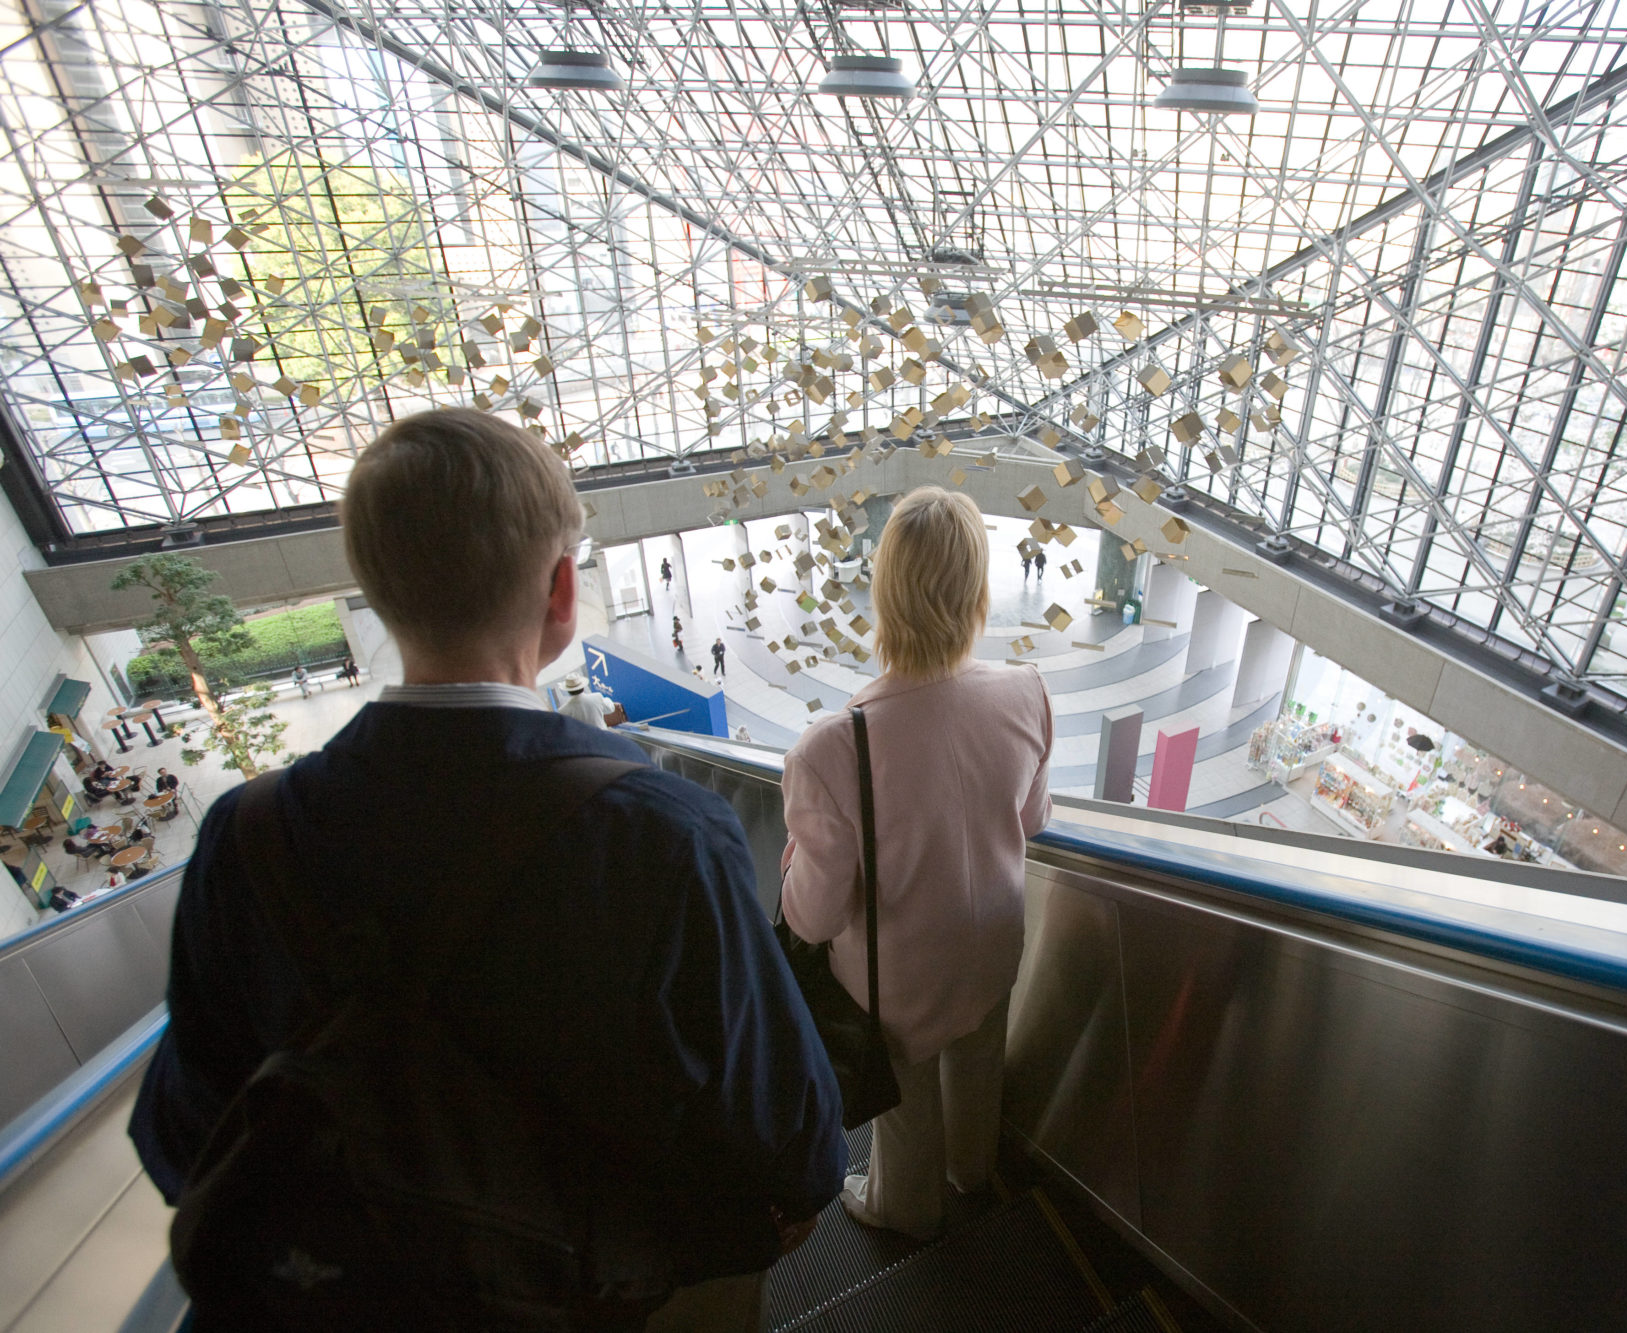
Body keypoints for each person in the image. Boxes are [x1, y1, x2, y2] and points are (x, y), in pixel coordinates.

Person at [132, 408, 845, 1328]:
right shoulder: (662, 835)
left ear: (376, 587)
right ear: (559, 594)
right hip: (606, 1283)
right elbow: (780, 1114)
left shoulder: (247, 835)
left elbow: (183, 1125)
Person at [780, 487, 1053, 1242]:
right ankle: (972, 1170)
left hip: (895, 983)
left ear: (884, 592)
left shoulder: (831, 748)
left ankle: (905, 1205)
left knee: (905, 1107)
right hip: (994, 947)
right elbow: (1032, 820)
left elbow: (814, 914)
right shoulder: (1027, 692)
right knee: (978, 1065)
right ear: (978, 592)